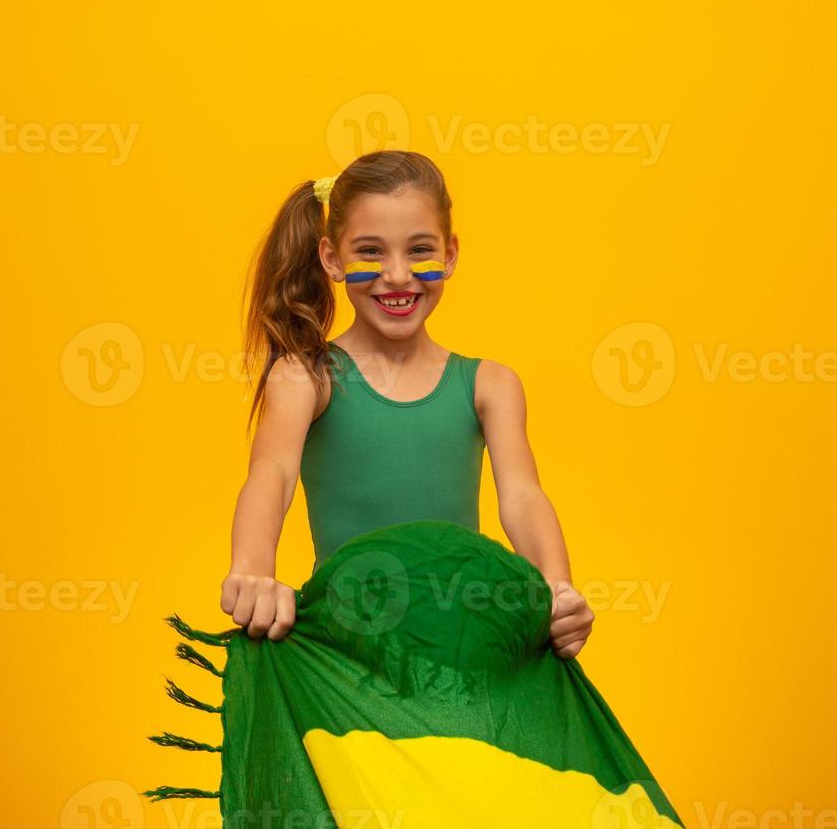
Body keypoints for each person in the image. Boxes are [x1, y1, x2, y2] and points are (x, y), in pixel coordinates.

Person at [218, 149, 596, 659]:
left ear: (452, 254)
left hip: (464, 651)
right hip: (346, 650)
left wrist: (558, 587)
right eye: (370, 251)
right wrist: (253, 571)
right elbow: (272, 474)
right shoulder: (306, 377)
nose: (397, 276)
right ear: (331, 258)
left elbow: (523, 497)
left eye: (420, 249)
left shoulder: (490, 385)